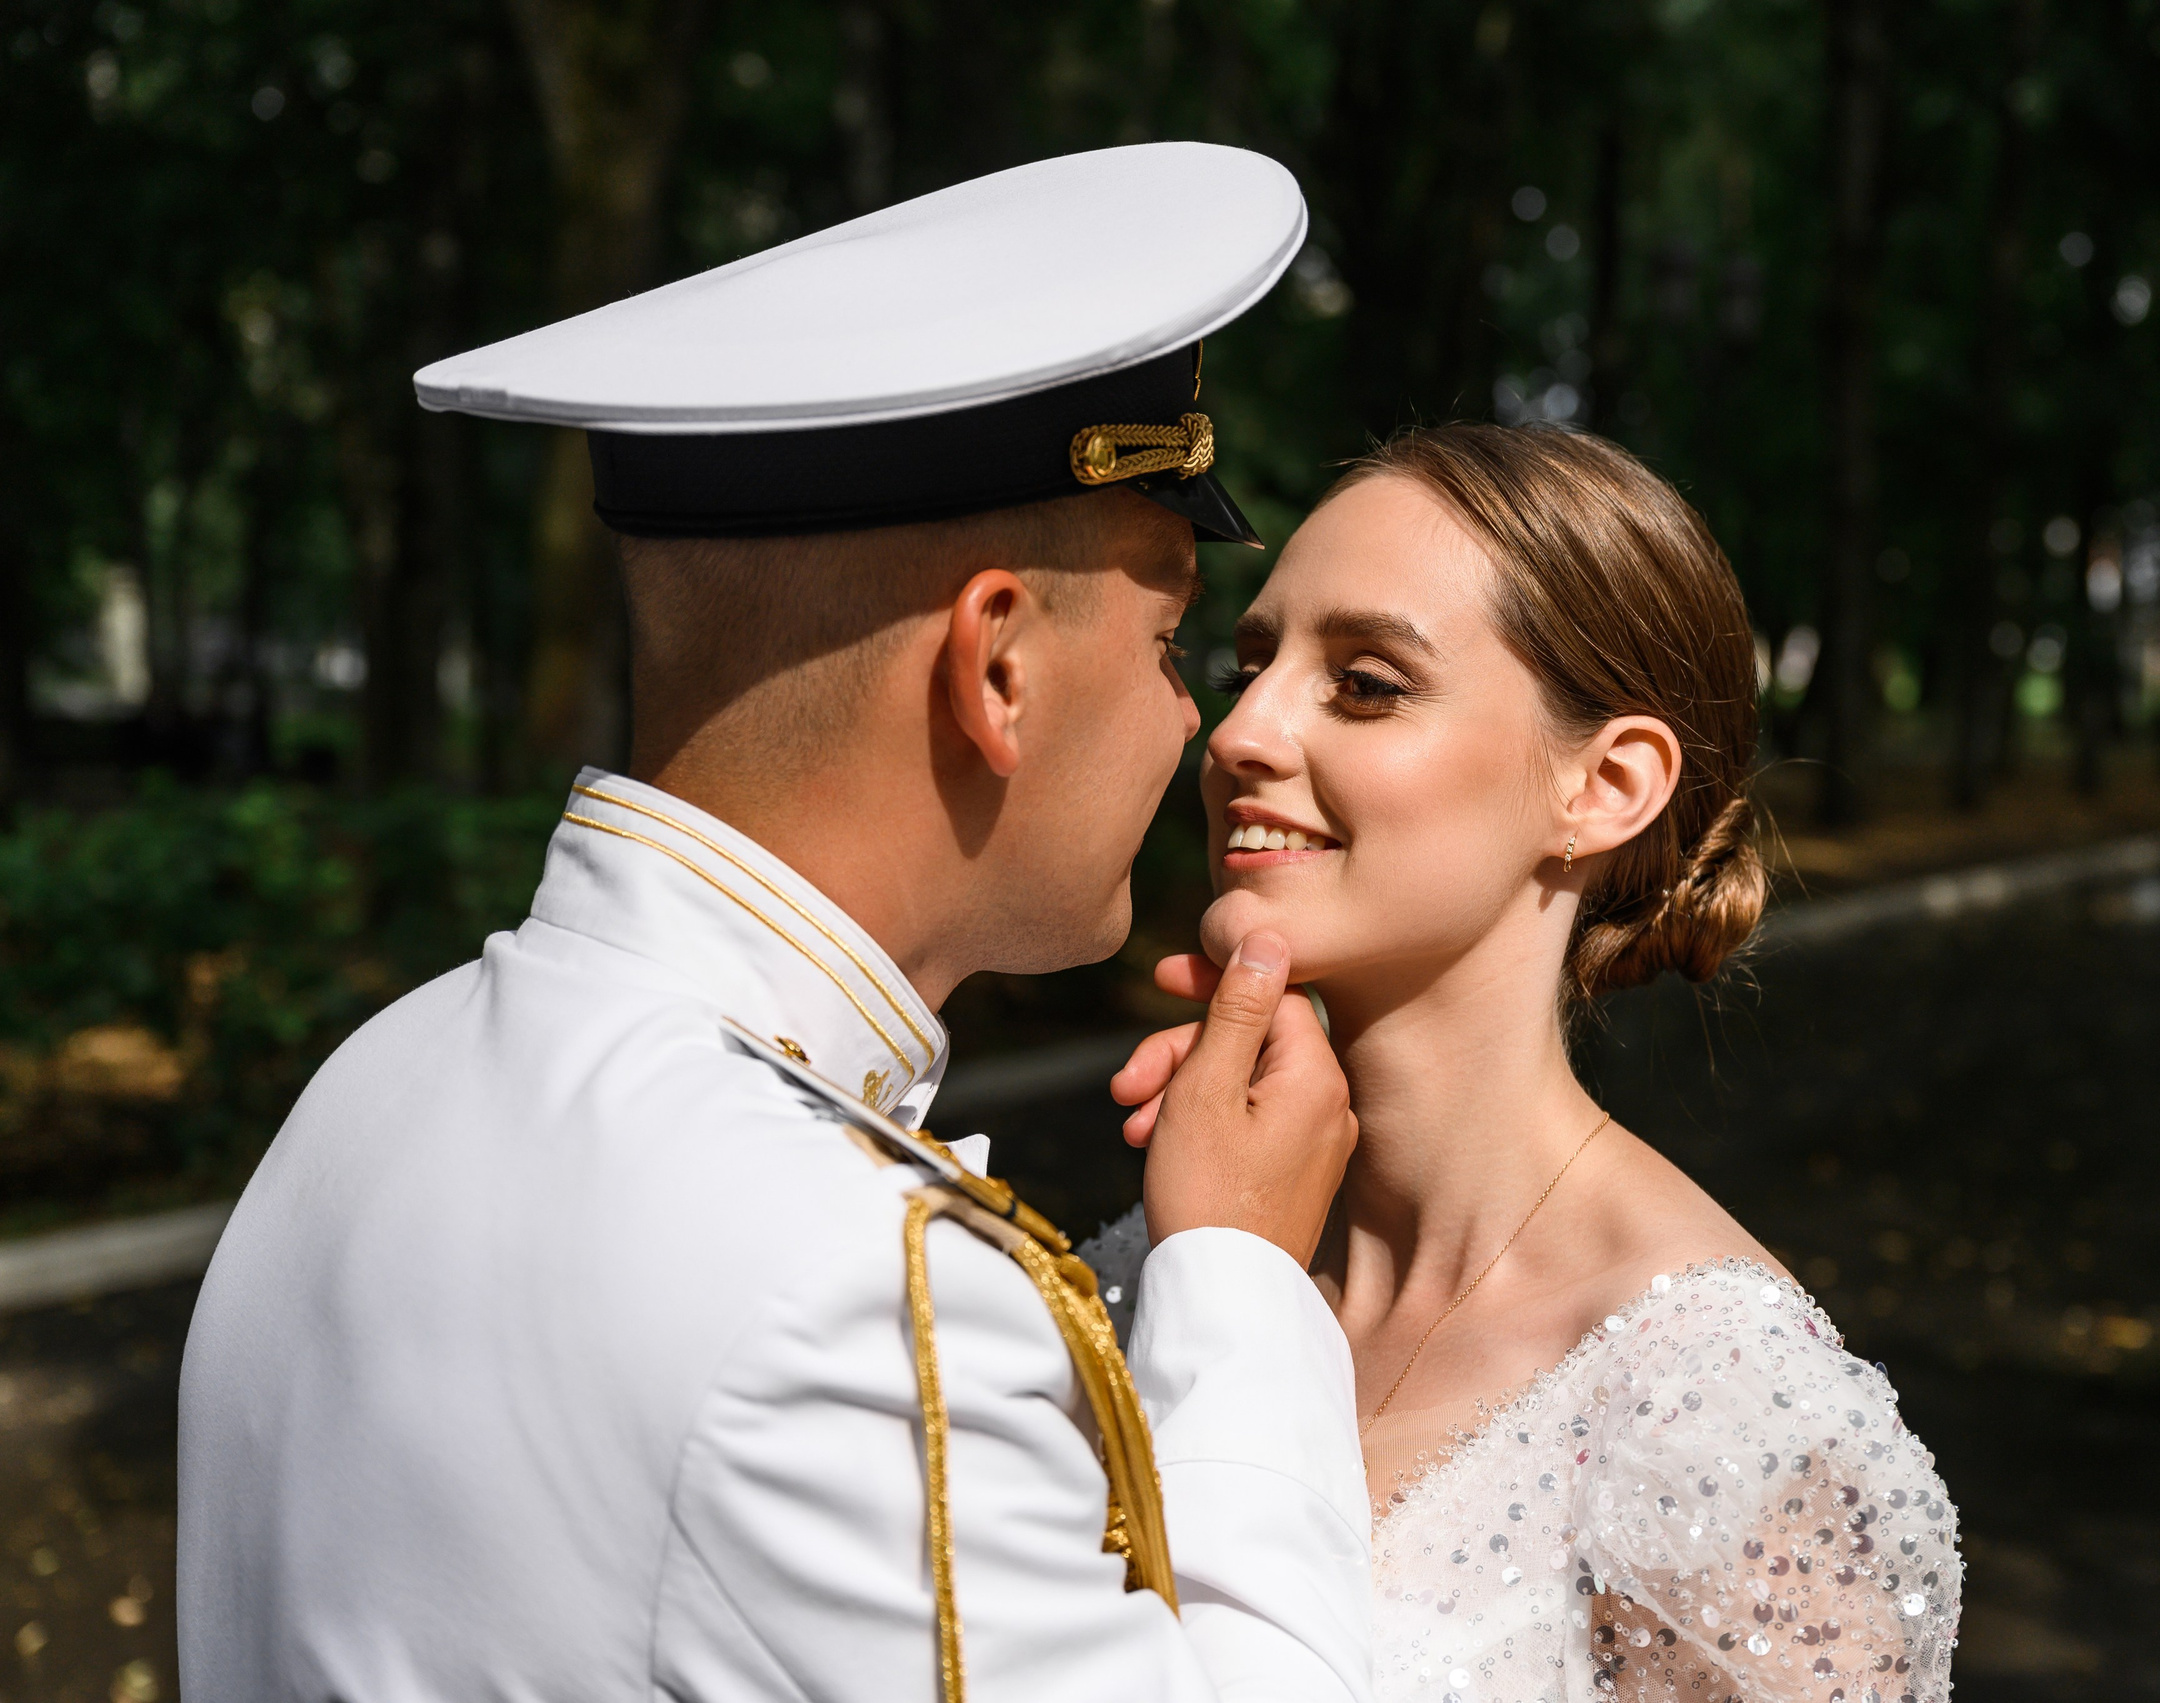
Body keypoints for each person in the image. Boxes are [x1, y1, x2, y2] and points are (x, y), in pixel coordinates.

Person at [176, 143, 1373, 1703]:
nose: (1197, 728)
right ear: (995, 665)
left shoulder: (376, 1079)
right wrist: (1239, 1279)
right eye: (1172, 641)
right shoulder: (859, 1300)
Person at [1106, 424, 1962, 1703]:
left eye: (1366, 682)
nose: (1238, 732)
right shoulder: (1157, 1258)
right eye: (1248, 660)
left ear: (1604, 786)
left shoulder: (1724, 1421)